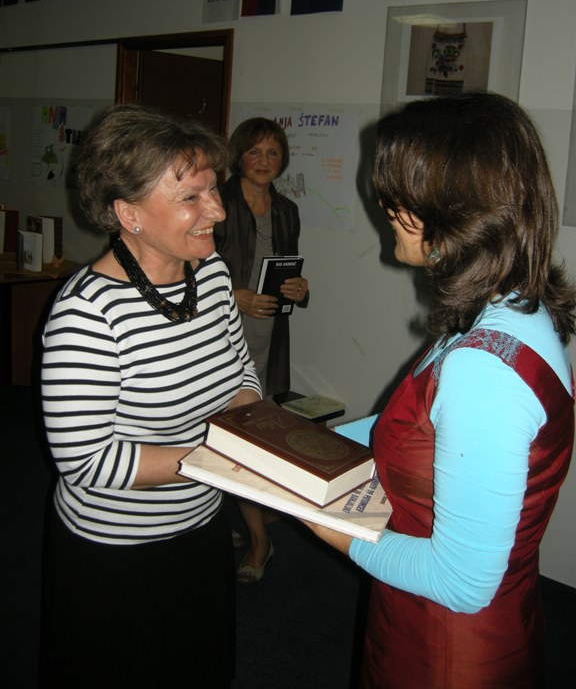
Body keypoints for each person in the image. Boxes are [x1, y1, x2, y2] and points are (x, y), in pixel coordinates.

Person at [305, 93, 575, 688]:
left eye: (398, 194)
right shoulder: (509, 309)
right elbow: (418, 430)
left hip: (445, 649)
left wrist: (329, 526)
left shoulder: (484, 369)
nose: (384, 207)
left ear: (454, 210)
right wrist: (298, 445)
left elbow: (460, 582)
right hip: (468, 621)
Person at [40, 104, 261, 688]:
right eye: (191, 197)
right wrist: (223, 460)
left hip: (202, 525)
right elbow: (86, 461)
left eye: (213, 190)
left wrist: (261, 438)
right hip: (116, 550)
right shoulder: (87, 315)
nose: (217, 209)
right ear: (129, 214)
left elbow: (241, 372)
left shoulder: (211, 274)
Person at [214, 117, 309, 583]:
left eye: (273, 153)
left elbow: (288, 272)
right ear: (239, 155)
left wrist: (301, 289)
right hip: (218, 337)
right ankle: (255, 534)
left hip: (269, 338)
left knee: (247, 440)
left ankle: (255, 535)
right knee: (226, 438)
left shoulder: (287, 210)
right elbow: (186, 273)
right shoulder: (215, 203)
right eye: (254, 151)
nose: (263, 161)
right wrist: (234, 296)